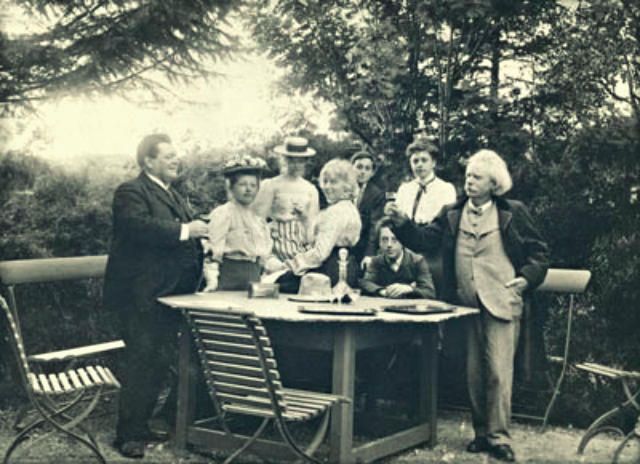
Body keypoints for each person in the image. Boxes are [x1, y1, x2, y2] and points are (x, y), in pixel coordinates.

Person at [385, 149, 550, 462]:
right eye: (468, 176)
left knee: (499, 373)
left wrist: (526, 279)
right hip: (465, 303)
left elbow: (540, 254)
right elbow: (423, 240)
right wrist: (403, 224)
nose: (469, 182)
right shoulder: (452, 212)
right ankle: (481, 434)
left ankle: (500, 437)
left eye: (476, 177)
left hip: (502, 302)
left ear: (493, 183)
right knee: (473, 373)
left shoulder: (513, 211)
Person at [103, 133, 209, 459]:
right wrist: (186, 230)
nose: (176, 160)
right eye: (168, 156)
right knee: (142, 360)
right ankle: (128, 436)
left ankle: (144, 424)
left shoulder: (172, 194)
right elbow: (138, 228)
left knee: (159, 360)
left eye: (177, 155)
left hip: (169, 294)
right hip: (141, 295)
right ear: (148, 160)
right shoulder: (131, 191)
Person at [273, 159, 362, 292]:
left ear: (347, 186)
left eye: (333, 182)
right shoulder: (350, 208)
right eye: (325, 182)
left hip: (330, 270)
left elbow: (320, 253)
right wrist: (304, 219)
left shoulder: (335, 212)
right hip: (349, 268)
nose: (327, 187)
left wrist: (291, 264)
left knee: (278, 282)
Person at [202, 155, 277, 291]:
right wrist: (212, 280)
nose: (248, 189)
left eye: (253, 185)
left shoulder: (258, 219)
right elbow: (213, 250)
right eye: (242, 185)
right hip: (230, 277)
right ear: (231, 187)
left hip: (253, 278)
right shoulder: (224, 213)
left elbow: (264, 255)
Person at [252, 136, 320, 262]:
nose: (296, 165)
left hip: (302, 245)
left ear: (305, 162)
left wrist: (304, 217)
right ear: (284, 160)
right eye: (291, 160)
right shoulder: (271, 185)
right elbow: (257, 219)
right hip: (276, 245)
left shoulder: (311, 189)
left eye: (300, 161)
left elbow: (312, 224)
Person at [360, 217, 435, 299]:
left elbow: (430, 292)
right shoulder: (376, 261)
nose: (389, 245)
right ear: (379, 243)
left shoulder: (417, 261)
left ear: (403, 241)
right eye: (384, 240)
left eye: (394, 239)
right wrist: (383, 291)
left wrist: (410, 289)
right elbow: (365, 283)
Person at [395, 138, 457, 225]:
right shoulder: (404, 190)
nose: (420, 165)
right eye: (415, 161)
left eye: (424, 160)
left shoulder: (446, 189)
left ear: (433, 163)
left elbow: (449, 222)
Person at [350, 150, 385, 266]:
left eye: (367, 168)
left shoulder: (376, 195)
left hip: (362, 248)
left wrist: (369, 254)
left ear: (372, 173)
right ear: (351, 168)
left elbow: (374, 227)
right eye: (359, 167)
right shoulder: (343, 189)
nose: (362, 172)